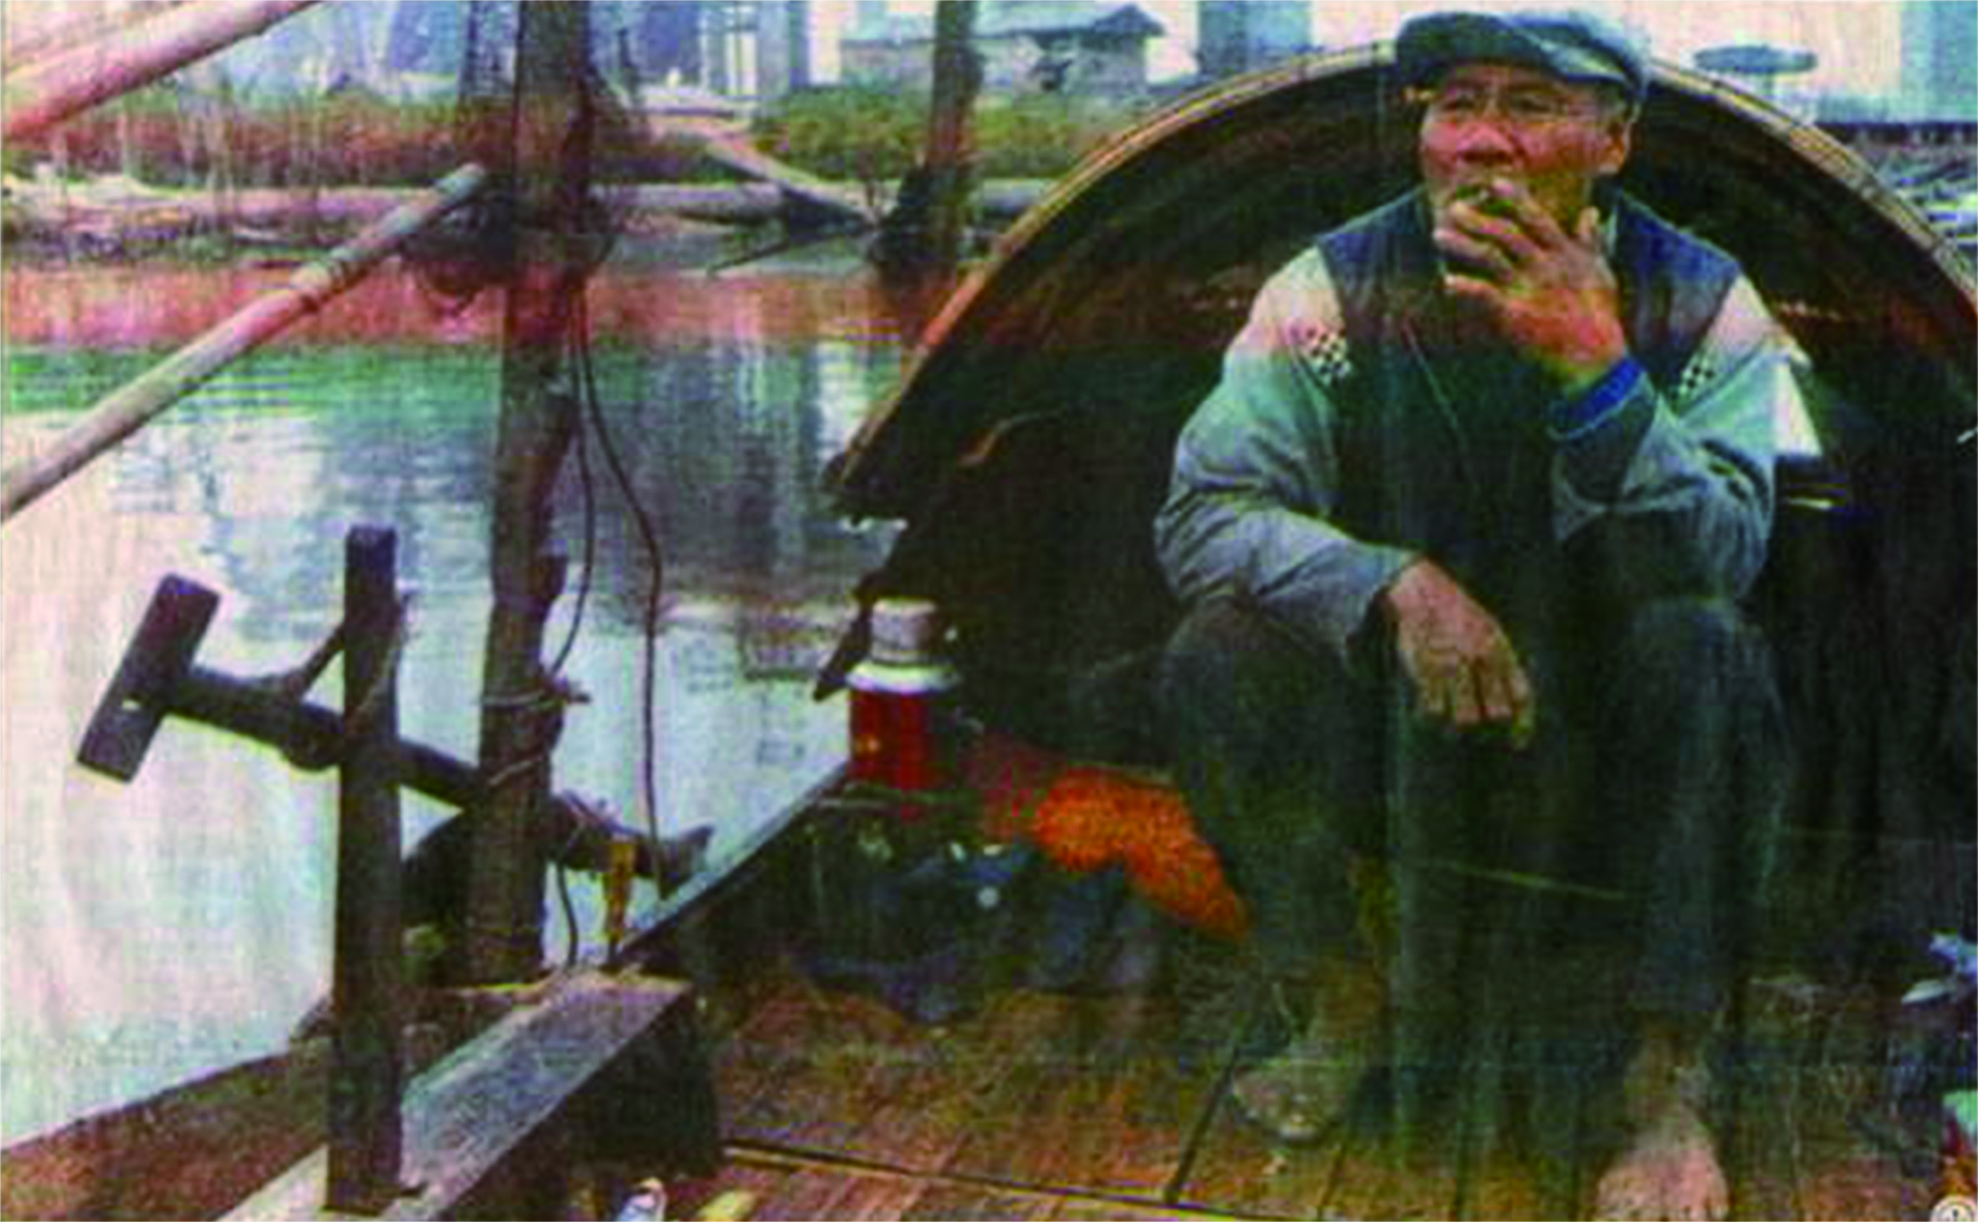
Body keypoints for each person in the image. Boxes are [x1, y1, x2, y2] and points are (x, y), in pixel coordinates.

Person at [1154, 10, 1794, 1219]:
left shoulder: (1706, 300)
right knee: (1217, 654)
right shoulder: (1328, 290)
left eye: (1529, 106)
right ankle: (1342, 996)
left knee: (1708, 647)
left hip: (1609, 749)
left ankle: (1665, 1079)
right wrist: (1393, 584)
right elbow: (1203, 514)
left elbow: (1729, 554)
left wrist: (1598, 369)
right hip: (1407, 725)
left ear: (1612, 142)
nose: (1481, 142)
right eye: (1456, 105)